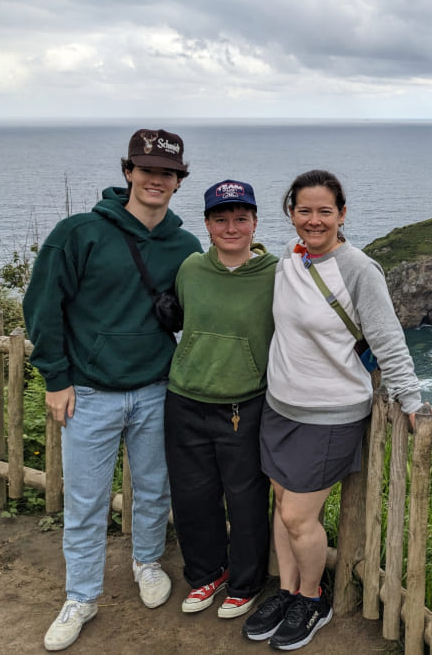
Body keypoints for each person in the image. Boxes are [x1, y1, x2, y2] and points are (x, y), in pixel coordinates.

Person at [241, 170, 432, 650]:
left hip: (330, 413)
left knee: (296, 516)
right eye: (304, 211)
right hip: (279, 407)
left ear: (342, 214)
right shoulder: (287, 261)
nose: (314, 220)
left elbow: (388, 341)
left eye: (324, 211)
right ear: (291, 214)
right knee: (282, 506)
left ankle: (313, 599)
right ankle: (288, 591)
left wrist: (411, 401)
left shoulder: (358, 268)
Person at [23, 129, 201, 651]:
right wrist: (56, 379)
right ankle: (81, 595)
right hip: (91, 393)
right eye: (146, 170)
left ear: (177, 181)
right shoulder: (78, 233)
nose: (156, 180)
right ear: (128, 172)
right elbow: (42, 307)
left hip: (155, 388)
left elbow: (195, 313)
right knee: (84, 501)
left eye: (166, 173)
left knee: (152, 488)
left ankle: (147, 562)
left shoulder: (185, 246)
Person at [164, 180, 276, 619]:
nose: (231, 227)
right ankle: (205, 574)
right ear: (207, 224)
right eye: (221, 219)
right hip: (185, 398)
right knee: (192, 495)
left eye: (240, 218)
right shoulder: (190, 268)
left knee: (246, 497)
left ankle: (246, 582)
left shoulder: (275, 273)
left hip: (244, 404)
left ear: (254, 223)